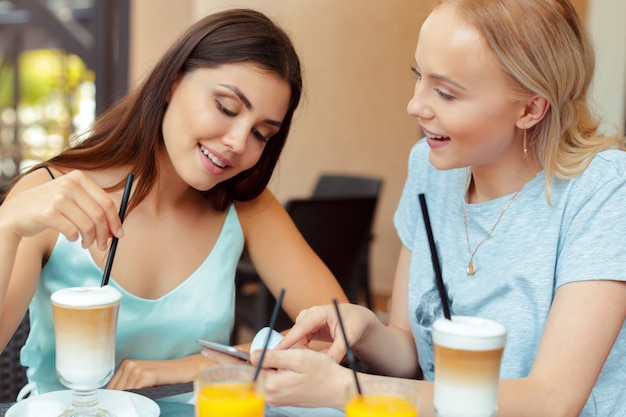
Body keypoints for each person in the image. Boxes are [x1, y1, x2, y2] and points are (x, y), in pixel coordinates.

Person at [248, 1, 626, 416]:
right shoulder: (431, 170)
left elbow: (552, 401)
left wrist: (350, 389)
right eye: (419, 77)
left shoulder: (603, 190)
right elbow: (411, 351)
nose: (416, 105)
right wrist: (365, 329)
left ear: (530, 108)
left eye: (445, 92)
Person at [0, 8, 348, 395]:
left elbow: (336, 333)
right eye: (226, 108)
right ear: (171, 83)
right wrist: (6, 227)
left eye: (261, 134)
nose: (238, 142)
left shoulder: (246, 206)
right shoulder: (51, 193)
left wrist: (187, 368)